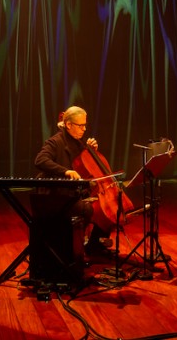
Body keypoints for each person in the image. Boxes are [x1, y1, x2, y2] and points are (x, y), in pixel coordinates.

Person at [34, 106, 114, 255]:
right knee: (87, 209)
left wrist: (91, 150)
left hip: (75, 193)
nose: (84, 129)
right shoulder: (55, 142)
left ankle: (93, 245)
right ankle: (74, 247)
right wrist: (65, 171)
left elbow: (86, 167)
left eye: (85, 125)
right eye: (80, 125)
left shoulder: (80, 143)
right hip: (58, 195)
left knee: (109, 208)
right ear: (69, 124)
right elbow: (40, 160)